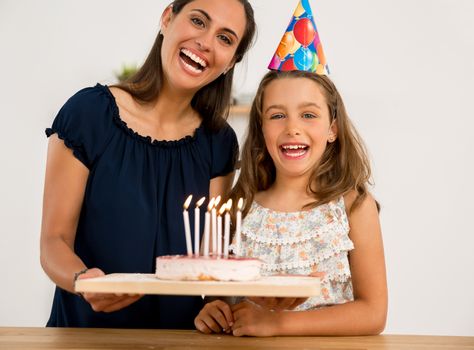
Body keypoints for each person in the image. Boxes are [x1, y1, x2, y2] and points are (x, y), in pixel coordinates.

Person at [40, 0, 256, 329]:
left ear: (231, 62)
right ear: (167, 18)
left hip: (179, 340)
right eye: (198, 21)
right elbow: (53, 242)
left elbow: (211, 263)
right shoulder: (88, 114)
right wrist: (84, 281)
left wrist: (215, 305)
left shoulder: (218, 141)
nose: (206, 43)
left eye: (225, 39)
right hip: (84, 336)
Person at [194, 70, 388, 336]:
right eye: (277, 115)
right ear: (261, 129)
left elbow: (373, 314)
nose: (292, 128)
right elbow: (225, 302)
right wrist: (214, 310)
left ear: (333, 129)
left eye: (308, 115)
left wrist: (277, 324)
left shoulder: (353, 206)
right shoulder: (241, 206)